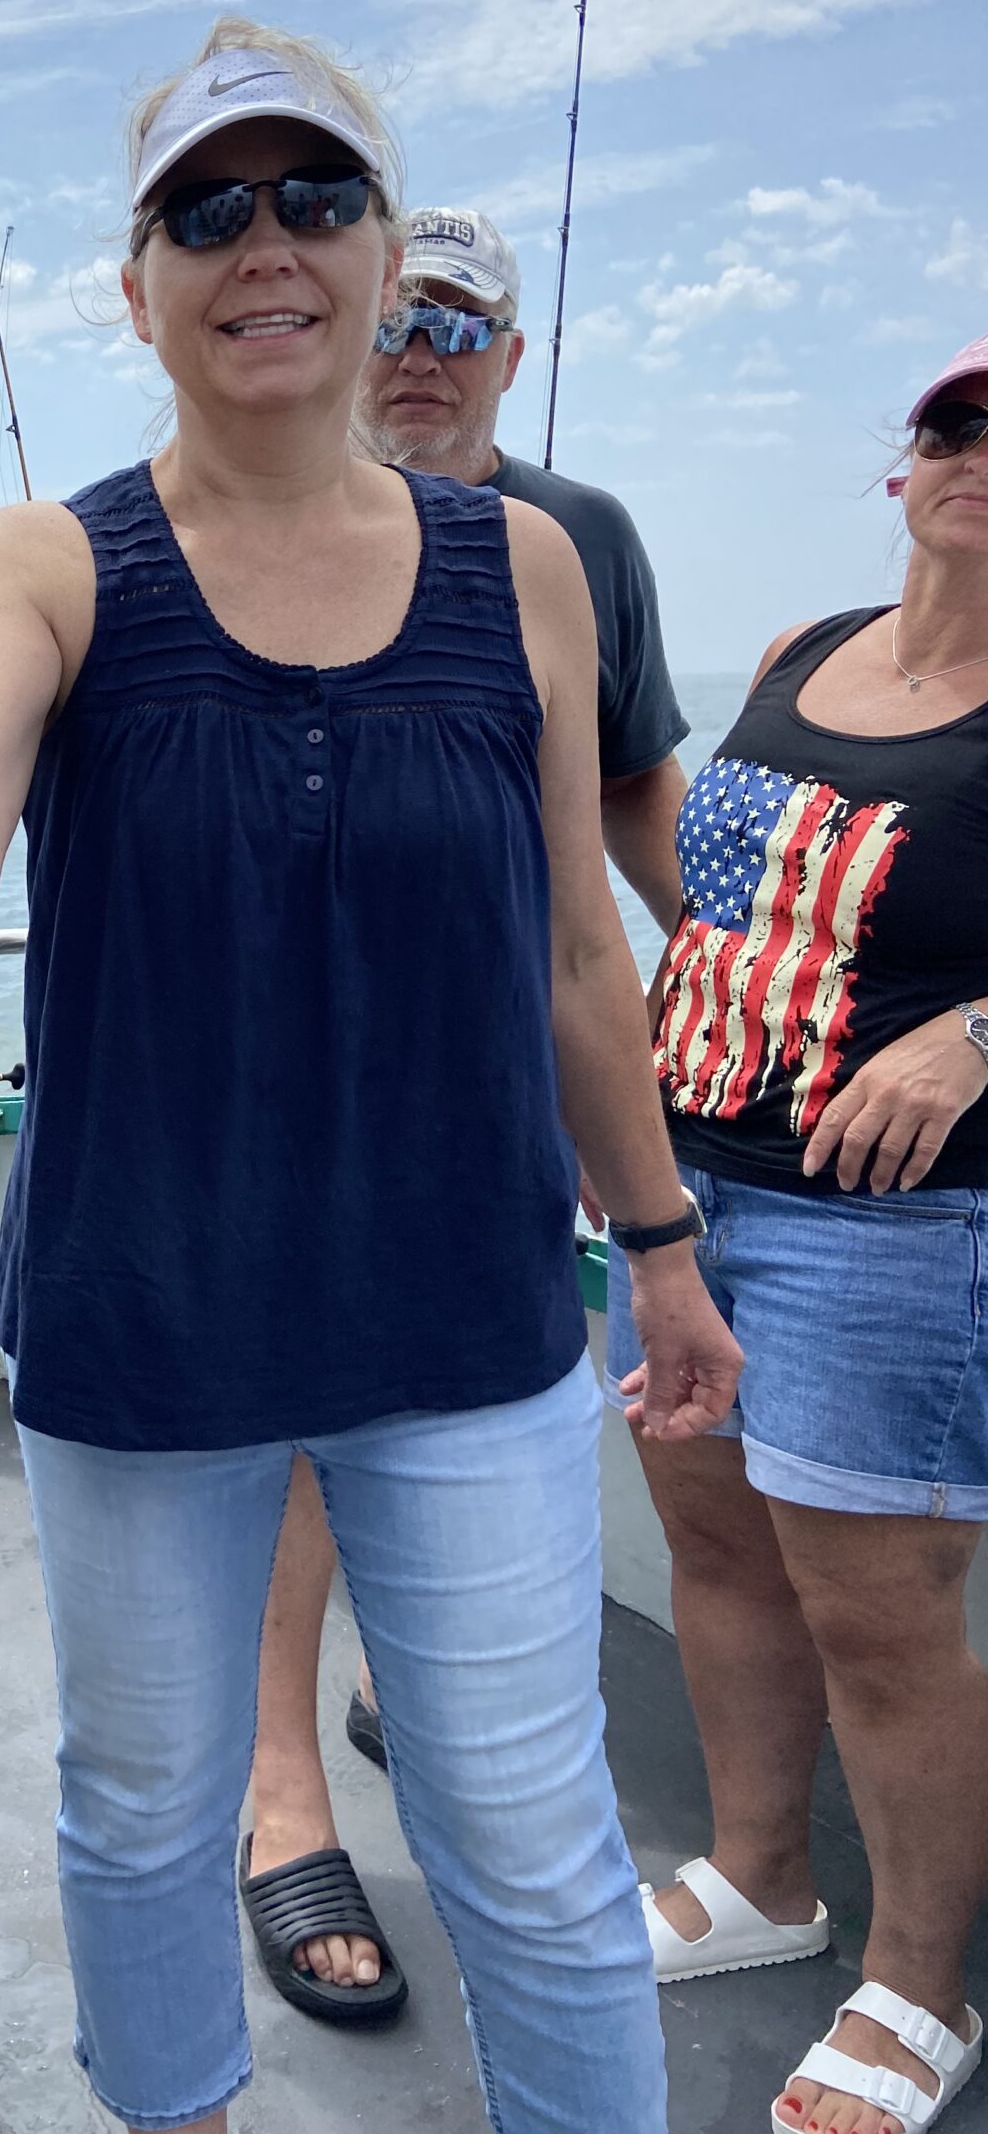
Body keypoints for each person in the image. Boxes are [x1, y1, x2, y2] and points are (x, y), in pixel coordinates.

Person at [0, 19, 740, 2134]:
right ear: (140, 288)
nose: (261, 243)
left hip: (469, 1318)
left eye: (313, 198)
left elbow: (583, 941)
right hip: (143, 1318)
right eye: (206, 208)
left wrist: (658, 1244)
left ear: (387, 259)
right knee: (138, 1806)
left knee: (537, 1840)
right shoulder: (41, 563)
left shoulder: (527, 569)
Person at [239, 206, 694, 2012]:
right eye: (397, 315)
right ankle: (284, 1795)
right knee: (288, 1434)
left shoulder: (573, 540)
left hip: (493, 1101)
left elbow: (637, 810)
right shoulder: (229, 517)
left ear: (511, 351)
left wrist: (759, 986)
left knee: (455, 1415)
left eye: (463, 319)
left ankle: (399, 1702)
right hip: (270, 1098)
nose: (421, 345)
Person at [612, 334, 988, 2134]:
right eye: (955, 423)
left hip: (894, 1232)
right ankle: (761, 1875)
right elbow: (720, 890)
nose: (979, 454)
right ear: (901, 461)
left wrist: (979, 1027)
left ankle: (917, 1988)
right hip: (695, 1197)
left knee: (882, 1618)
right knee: (718, 1549)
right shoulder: (796, 655)